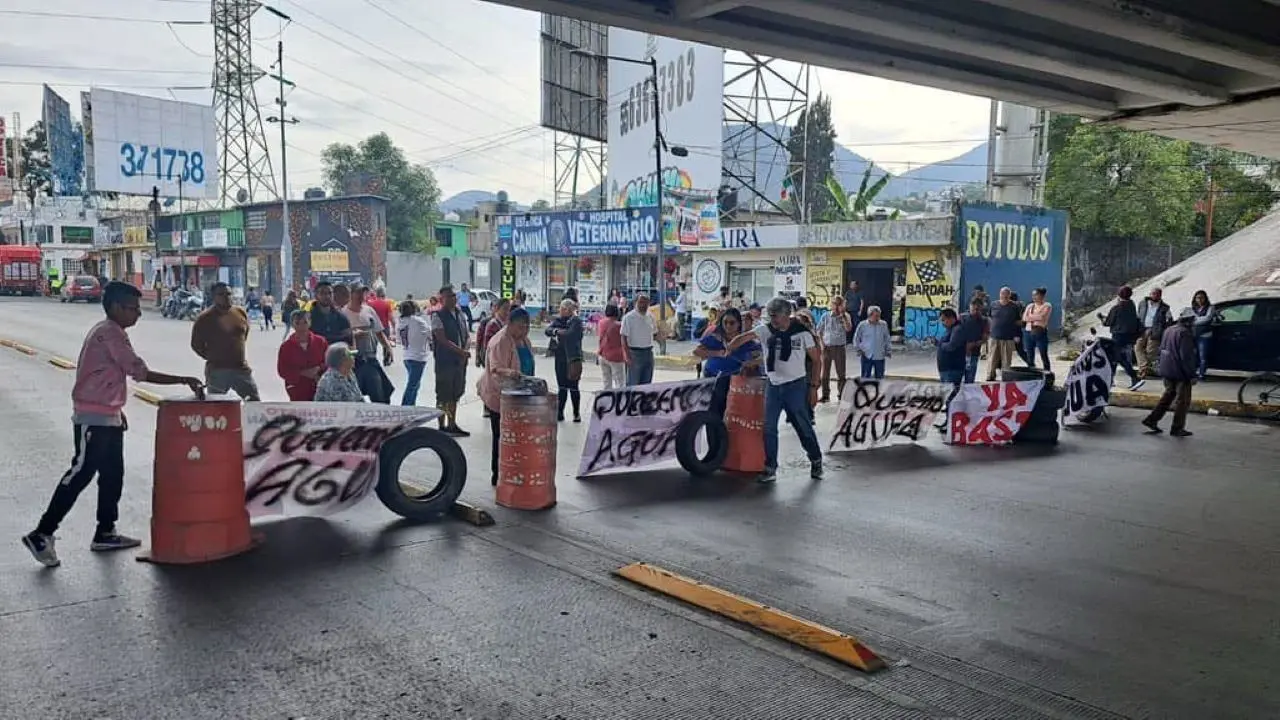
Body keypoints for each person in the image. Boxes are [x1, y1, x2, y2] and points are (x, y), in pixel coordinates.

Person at [22, 282, 204, 567]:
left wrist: (117, 412)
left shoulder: (111, 331)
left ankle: (105, 531)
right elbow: (138, 371)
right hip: (93, 418)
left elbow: (111, 376)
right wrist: (183, 380)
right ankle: (43, 532)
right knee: (81, 473)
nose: (138, 314)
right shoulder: (110, 333)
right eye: (134, 308)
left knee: (112, 475)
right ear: (117, 307)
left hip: (108, 415)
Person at [727, 297, 824, 484]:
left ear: (787, 315)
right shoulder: (765, 330)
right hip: (773, 385)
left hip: (795, 385)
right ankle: (770, 467)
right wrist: (732, 345)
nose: (773, 320)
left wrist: (814, 387)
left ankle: (816, 459)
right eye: (770, 316)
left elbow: (817, 359)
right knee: (769, 427)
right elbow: (746, 337)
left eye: (776, 316)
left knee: (802, 426)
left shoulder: (802, 333)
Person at [478, 308, 535, 486]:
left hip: (522, 393)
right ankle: (498, 474)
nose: (524, 331)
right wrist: (511, 373)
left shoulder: (524, 340)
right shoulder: (500, 341)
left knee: (517, 436)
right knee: (501, 436)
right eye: (520, 327)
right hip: (500, 395)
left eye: (527, 327)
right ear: (509, 324)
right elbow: (496, 369)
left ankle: (515, 471)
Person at [191, 281, 261, 400]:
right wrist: (213, 356)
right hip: (217, 371)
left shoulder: (240, 313)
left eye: (229, 294)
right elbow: (196, 344)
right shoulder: (205, 318)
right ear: (214, 297)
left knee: (254, 402)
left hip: (241, 369)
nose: (226, 297)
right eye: (221, 294)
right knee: (217, 406)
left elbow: (244, 334)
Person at [1142, 308, 1198, 437]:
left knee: (1168, 396)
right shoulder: (1185, 333)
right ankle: (1177, 428)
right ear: (1189, 321)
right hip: (1179, 372)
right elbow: (1186, 357)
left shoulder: (1169, 329)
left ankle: (1152, 419)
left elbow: (1161, 349)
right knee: (1182, 401)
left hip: (1167, 369)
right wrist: (1191, 375)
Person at [343, 285, 395, 404]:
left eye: (363, 293)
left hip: (370, 357)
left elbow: (379, 332)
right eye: (358, 293)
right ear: (351, 294)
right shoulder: (343, 313)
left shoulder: (369, 310)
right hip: (352, 360)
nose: (361, 296)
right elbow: (340, 337)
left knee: (381, 393)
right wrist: (353, 335)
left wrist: (388, 348)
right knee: (353, 396)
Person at [430, 285, 471, 436]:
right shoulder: (437, 316)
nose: (453, 299)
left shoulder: (460, 314)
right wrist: (461, 352)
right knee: (443, 394)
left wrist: (465, 351)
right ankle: (441, 427)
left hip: (459, 362)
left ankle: (452, 424)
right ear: (442, 299)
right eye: (449, 296)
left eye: (454, 296)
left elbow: (466, 335)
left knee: (455, 393)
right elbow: (442, 339)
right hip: (445, 361)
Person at [1099, 285, 1144, 390]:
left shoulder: (1117, 308)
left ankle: (1135, 378)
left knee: (1119, 358)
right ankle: (1110, 380)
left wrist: (1101, 318)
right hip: (1130, 337)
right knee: (1116, 358)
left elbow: (1108, 323)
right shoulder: (1132, 306)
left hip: (1118, 336)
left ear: (1119, 295)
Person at [546, 298, 585, 422]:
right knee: (561, 386)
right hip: (560, 357)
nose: (560, 311)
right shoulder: (558, 320)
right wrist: (557, 331)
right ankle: (560, 412)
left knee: (574, 386)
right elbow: (548, 330)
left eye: (562, 309)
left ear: (568, 310)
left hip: (573, 358)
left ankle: (576, 413)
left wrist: (559, 333)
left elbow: (571, 334)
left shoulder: (576, 321)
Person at [276, 310, 328, 401]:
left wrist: (318, 368)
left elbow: (329, 361)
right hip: (297, 390)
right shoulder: (286, 347)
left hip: (320, 388)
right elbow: (282, 370)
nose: (301, 326)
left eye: (305, 322)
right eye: (297, 323)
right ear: (292, 324)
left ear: (310, 323)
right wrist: (302, 373)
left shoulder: (321, 342)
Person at [693, 307, 760, 378]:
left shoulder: (745, 340)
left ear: (739, 324)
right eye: (725, 322)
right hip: (712, 377)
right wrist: (717, 353)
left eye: (732, 323)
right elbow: (696, 352)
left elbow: (760, 356)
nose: (728, 325)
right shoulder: (716, 337)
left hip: (737, 379)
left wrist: (751, 363)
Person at [816, 297, 851, 401]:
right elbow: (819, 331)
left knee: (841, 373)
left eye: (839, 304)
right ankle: (825, 395)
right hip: (827, 347)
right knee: (825, 373)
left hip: (839, 347)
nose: (836, 307)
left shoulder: (845, 316)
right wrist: (822, 344)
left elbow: (848, 328)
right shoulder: (826, 316)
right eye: (834, 304)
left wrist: (843, 316)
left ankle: (841, 394)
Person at [398, 299, 431, 406]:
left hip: (407, 356)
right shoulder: (417, 321)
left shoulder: (400, 322)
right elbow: (429, 333)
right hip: (418, 357)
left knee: (415, 384)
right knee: (412, 385)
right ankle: (406, 406)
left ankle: (412, 405)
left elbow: (399, 340)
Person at [621, 293, 658, 386]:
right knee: (633, 383)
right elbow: (623, 337)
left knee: (646, 384)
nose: (643, 305)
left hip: (648, 352)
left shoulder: (651, 317)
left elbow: (655, 334)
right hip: (634, 353)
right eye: (641, 302)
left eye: (646, 303)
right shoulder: (628, 318)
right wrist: (626, 355)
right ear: (635, 303)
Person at [986, 287, 1021, 381]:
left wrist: (1017, 335)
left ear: (1009, 295)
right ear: (999, 294)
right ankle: (990, 376)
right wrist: (988, 331)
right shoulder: (993, 304)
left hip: (1008, 337)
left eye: (1006, 294)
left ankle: (1005, 377)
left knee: (1006, 360)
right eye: (1002, 294)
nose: (1004, 296)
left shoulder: (1014, 306)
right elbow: (989, 318)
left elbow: (1018, 322)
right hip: (994, 336)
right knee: (992, 358)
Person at [1135, 287, 1172, 378]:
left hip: (1155, 330)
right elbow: (1138, 315)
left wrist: (1163, 330)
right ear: (1150, 294)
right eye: (1153, 293)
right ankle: (1145, 368)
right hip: (1142, 329)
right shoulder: (1142, 303)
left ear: (1160, 295)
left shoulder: (1165, 307)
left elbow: (1169, 319)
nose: (1155, 295)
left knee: (1151, 352)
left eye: (1157, 294)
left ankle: (1143, 370)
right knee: (1137, 348)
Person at [853, 305, 892, 379]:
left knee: (880, 378)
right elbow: (856, 338)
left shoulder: (883, 325)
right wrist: (858, 349)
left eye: (879, 316)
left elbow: (887, 338)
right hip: (866, 355)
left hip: (879, 355)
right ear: (870, 315)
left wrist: (888, 350)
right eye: (876, 316)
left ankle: (878, 390)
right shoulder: (862, 325)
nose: (878, 318)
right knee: (865, 377)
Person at [309, 281, 353, 347]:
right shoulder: (308, 318)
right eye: (322, 293)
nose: (327, 296)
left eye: (330, 293)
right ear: (316, 295)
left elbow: (348, 339)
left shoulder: (341, 317)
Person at [1020, 286, 1052, 371]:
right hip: (1028, 332)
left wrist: (1030, 317)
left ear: (1042, 296)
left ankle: (1047, 371)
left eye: (1036, 295)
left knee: (1043, 353)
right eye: (1033, 295)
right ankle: (1032, 371)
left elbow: (1042, 317)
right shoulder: (1030, 306)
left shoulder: (1047, 305)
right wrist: (1035, 317)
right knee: (1030, 354)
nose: (1034, 297)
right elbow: (1024, 318)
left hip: (1040, 332)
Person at [597, 304, 627, 390]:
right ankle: (619, 401)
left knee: (606, 381)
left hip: (603, 354)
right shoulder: (619, 325)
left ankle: (607, 399)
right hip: (616, 357)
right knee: (620, 382)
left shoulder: (601, 322)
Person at [475, 297, 511, 370]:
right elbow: (484, 343)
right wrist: (478, 356)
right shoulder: (491, 324)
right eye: (505, 309)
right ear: (497, 308)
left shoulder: (507, 324)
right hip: (494, 362)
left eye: (508, 309)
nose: (507, 312)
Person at [936, 308, 967, 387]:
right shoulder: (949, 329)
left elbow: (951, 346)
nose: (942, 323)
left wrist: (939, 344)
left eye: (944, 320)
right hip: (946, 368)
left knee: (950, 393)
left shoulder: (957, 330)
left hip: (952, 369)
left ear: (952, 318)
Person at [959, 299, 989, 383]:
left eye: (978, 309)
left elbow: (985, 338)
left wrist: (974, 344)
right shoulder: (962, 318)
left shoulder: (984, 321)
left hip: (974, 353)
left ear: (981, 309)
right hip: (960, 352)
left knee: (970, 378)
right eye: (973, 309)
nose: (975, 311)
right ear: (970, 307)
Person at [1190, 289, 1215, 380]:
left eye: (1201, 298)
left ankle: (1201, 374)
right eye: (1197, 298)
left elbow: (1207, 318)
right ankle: (1193, 372)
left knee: (1202, 355)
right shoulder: (1193, 308)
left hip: (1205, 334)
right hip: (1194, 334)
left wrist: (1195, 320)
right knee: (1193, 354)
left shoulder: (1210, 307)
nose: (1199, 300)